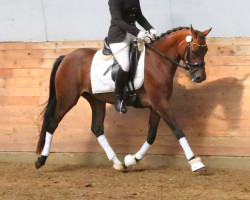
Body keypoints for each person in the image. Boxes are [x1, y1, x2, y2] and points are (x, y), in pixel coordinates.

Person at [107, 0, 156, 114]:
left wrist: (150, 28)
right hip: (118, 36)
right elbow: (117, 20)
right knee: (125, 65)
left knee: (146, 59)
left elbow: (139, 16)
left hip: (132, 34)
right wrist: (138, 32)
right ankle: (118, 99)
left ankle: (138, 91)